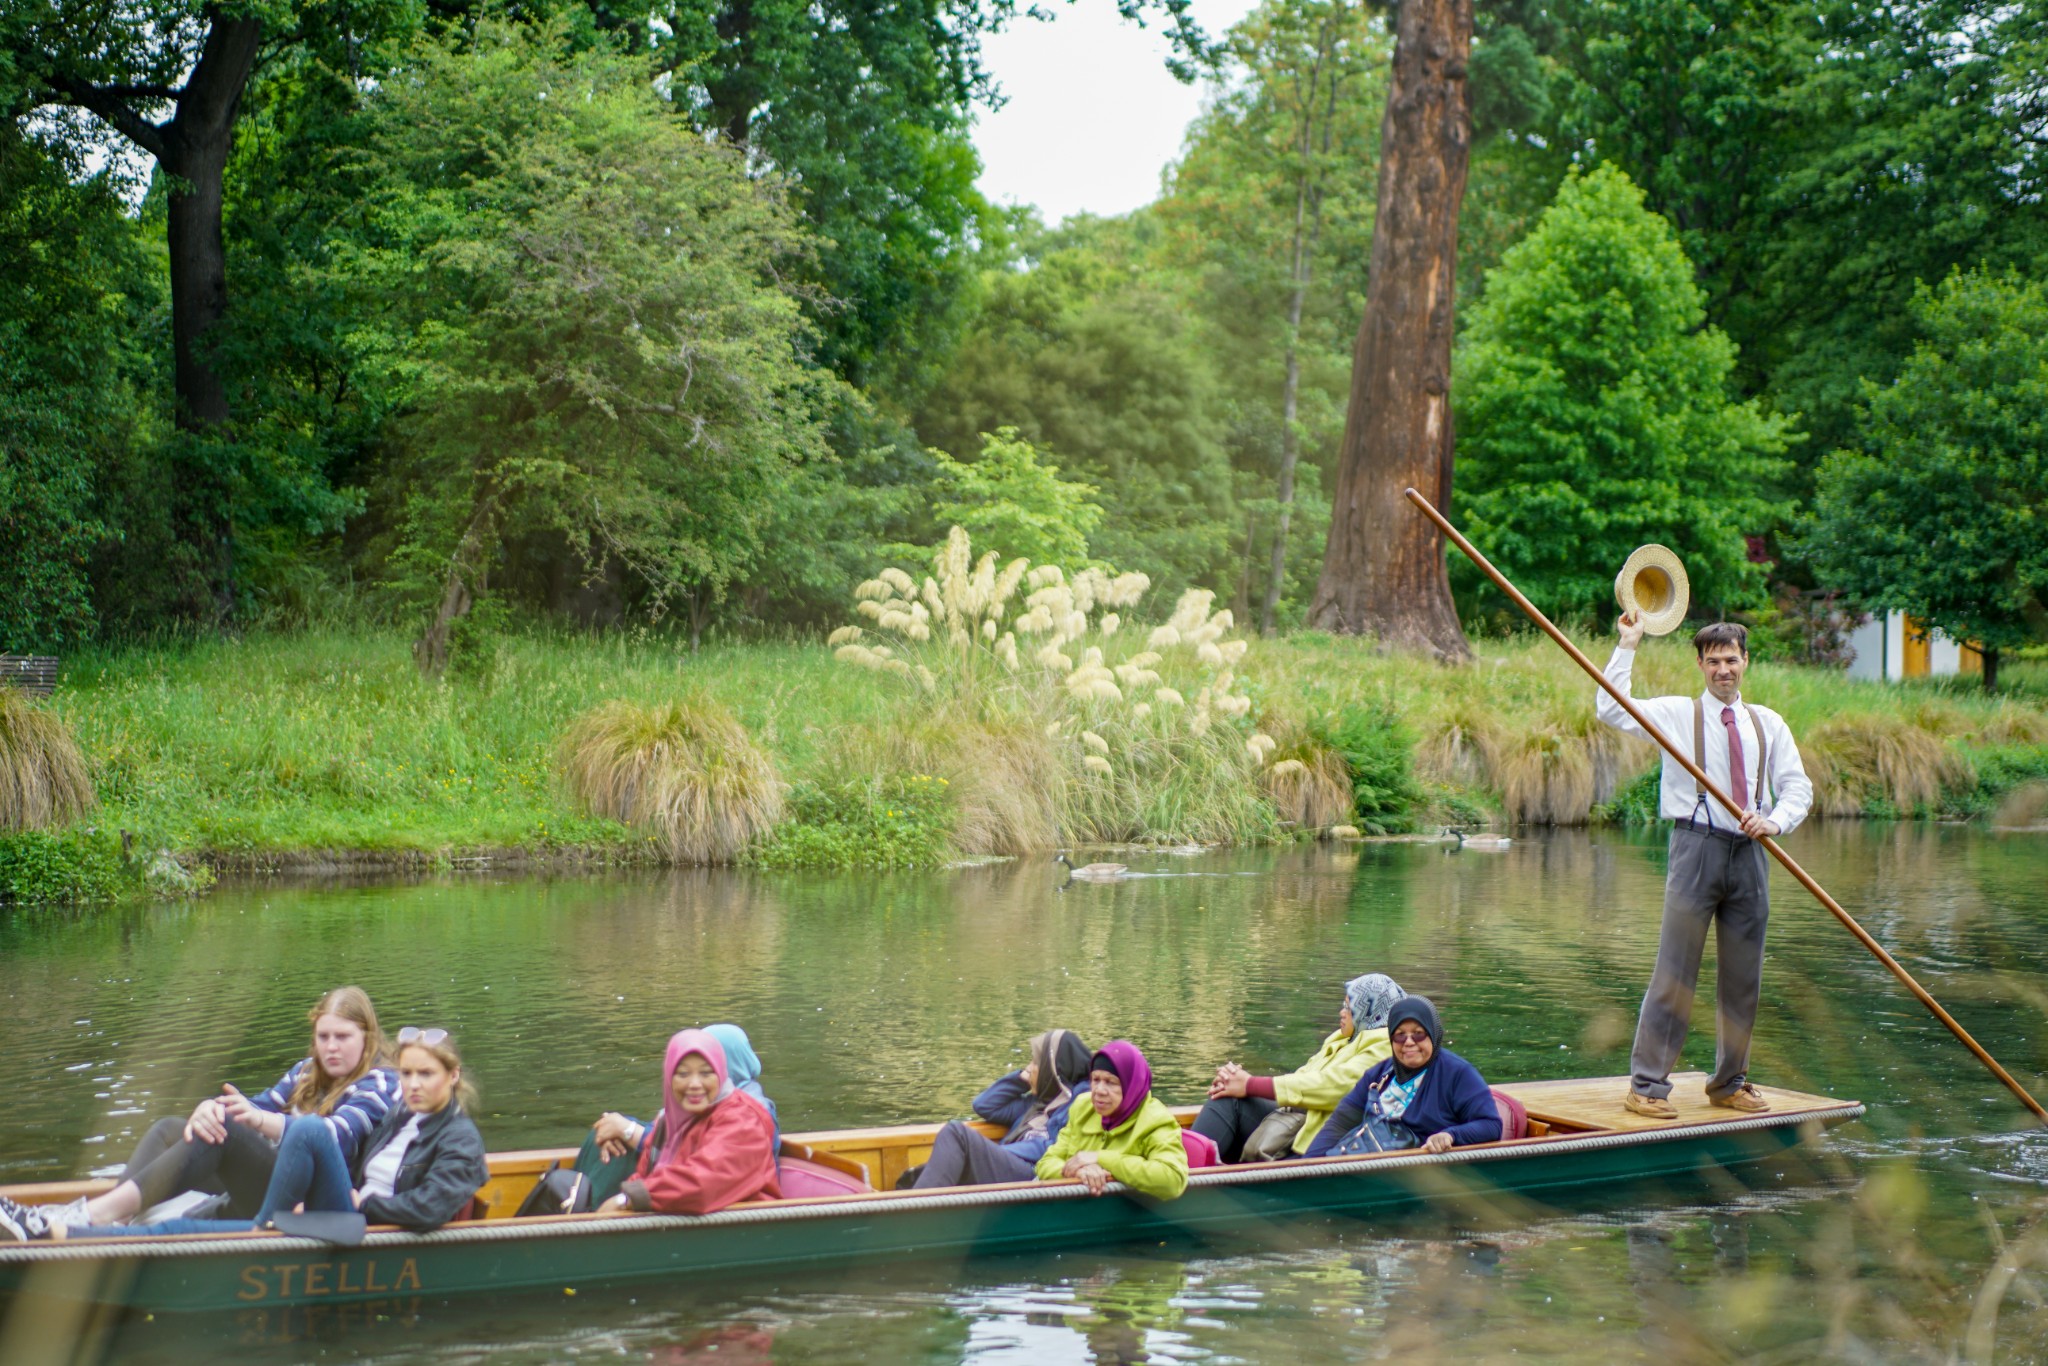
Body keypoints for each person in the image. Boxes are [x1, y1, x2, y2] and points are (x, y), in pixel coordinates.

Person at [1598, 616, 1813, 1119]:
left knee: (1743, 978)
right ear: (1699, 665)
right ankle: (1647, 1086)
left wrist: (1775, 822)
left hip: (1752, 854)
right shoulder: (1676, 714)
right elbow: (1610, 708)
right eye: (1713, 661)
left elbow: (1798, 787)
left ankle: (1729, 1082)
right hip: (1696, 849)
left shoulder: (1768, 722)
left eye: (1731, 659)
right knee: (1676, 972)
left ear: (1745, 662)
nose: (1723, 669)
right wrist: (1628, 644)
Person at [1, 986, 398, 1240]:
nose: (331, 1047)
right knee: (171, 1130)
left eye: (343, 1037)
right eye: (323, 1036)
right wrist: (209, 1108)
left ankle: (90, 1217)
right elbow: (253, 1107)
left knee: (227, 1130)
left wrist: (253, 1121)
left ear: (368, 1038)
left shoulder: (379, 1083)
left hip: (306, 1200)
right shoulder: (307, 1071)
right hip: (266, 1181)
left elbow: (332, 1133)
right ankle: (112, 1221)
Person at [48, 1026, 488, 1240]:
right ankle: (99, 1222)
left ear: (452, 1077)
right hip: (335, 1207)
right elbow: (355, 1166)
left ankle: (90, 1227)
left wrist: (368, 1202)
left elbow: (430, 1207)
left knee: (309, 1131)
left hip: (360, 1225)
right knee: (182, 1133)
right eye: (407, 1072)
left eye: (425, 1074)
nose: (411, 1084)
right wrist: (211, 1107)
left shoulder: (459, 1139)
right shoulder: (400, 1113)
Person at [1192, 973, 1404, 1163]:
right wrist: (1237, 1081)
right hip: (1296, 1120)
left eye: (1349, 1008)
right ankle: (1191, 1169)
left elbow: (1334, 1087)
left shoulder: (1384, 1045)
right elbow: (1303, 1077)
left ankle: (1188, 1177)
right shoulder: (1342, 1039)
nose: (1341, 1013)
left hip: (1319, 1135)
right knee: (1229, 1098)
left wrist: (1250, 1084)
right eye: (1343, 1005)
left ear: (1371, 1011)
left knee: (1232, 1103)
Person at [596, 1029, 780, 1216]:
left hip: (739, 1232)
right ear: (669, 1078)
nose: (694, 1084)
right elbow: (646, 1174)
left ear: (721, 1074)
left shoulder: (743, 1119)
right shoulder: (668, 1120)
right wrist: (624, 1198)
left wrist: (628, 1199)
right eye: (683, 1074)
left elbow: (704, 1182)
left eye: (706, 1073)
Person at [1305, 996, 1500, 1156]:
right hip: (1366, 1161)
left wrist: (1450, 1136)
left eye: (1418, 1034)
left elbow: (1491, 1126)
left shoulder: (1458, 1074)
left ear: (1433, 1034)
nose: (1408, 1042)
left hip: (1418, 1174)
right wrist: (1309, 1166)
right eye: (1399, 1035)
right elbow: (1340, 1123)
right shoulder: (1378, 1073)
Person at [911, 1028, 1093, 1189]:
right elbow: (984, 1105)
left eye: (1036, 1062)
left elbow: (1052, 1147)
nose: (1029, 1067)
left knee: (956, 1133)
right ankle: (917, 1206)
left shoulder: (1079, 1105)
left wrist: (994, 1152)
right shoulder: (1034, 1103)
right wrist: (1022, 1078)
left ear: (1052, 1069)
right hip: (1008, 1169)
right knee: (916, 1174)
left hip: (1032, 1177)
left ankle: (915, 1213)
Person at [1034, 1040, 1188, 1200]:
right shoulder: (1083, 1107)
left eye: (1110, 1082)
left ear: (1131, 1086)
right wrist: (1078, 1171)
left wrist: (1100, 1158)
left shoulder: (1155, 1119)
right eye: (1095, 1080)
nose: (1099, 1091)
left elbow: (1172, 1179)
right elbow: (1046, 1163)